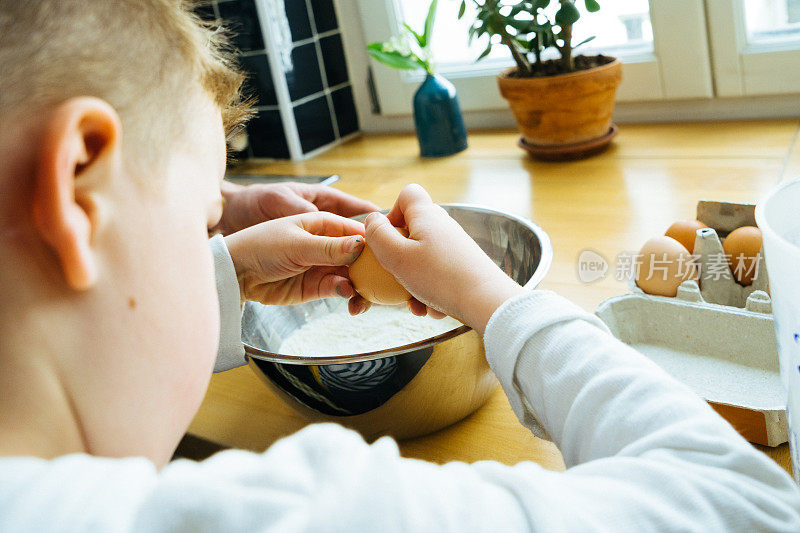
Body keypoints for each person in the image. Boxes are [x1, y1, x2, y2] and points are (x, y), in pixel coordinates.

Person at [1, 1, 799, 531]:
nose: (218, 238)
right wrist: (491, 297)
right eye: (204, 219)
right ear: (78, 186)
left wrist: (216, 270)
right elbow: (744, 501)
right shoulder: (288, 510)